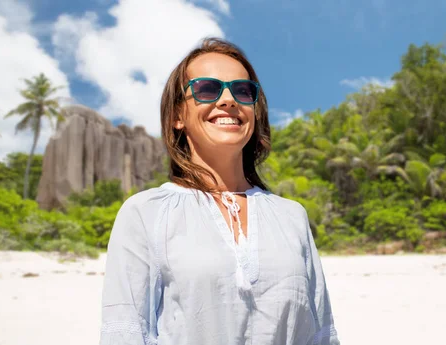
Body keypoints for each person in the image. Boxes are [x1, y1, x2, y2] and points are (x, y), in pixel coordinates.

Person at [99, 37, 340, 345]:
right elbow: (126, 332)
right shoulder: (146, 212)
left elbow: (318, 335)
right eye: (206, 89)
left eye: (243, 91)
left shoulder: (291, 216)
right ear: (177, 116)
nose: (228, 100)